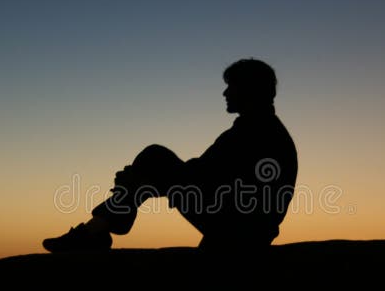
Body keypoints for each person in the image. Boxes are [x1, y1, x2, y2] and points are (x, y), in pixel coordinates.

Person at [42, 58, 298, 252]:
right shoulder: (256, 127)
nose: (225, 93)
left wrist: (139, 179)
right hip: (243, 225)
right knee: (154, 163)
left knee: (155, 156)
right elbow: (205, 173)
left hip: (239, 229)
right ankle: (98, 229)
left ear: (249, 89)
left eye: (231, 86)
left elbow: (204, 175)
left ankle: (96, 231)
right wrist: (145, 181)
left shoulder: (256, 131)